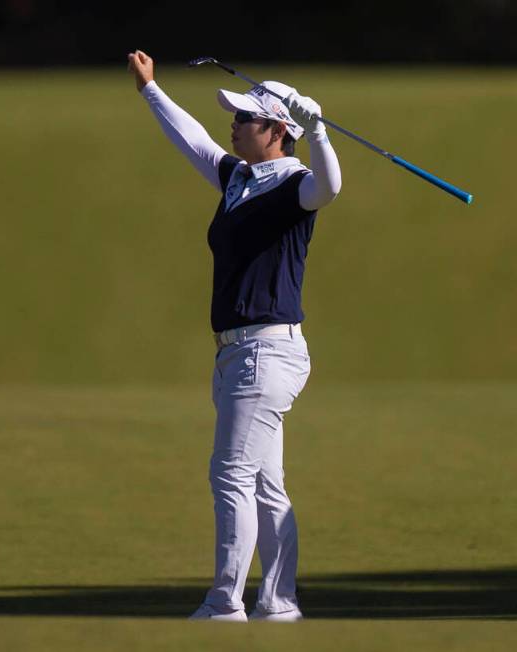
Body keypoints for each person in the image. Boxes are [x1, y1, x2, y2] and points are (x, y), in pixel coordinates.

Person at [127, 50, 342, 622]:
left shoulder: (295, 183)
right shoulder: (240, 179)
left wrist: (318, 129)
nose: (234, 123)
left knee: (230, 474)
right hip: (239, 354)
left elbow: (330, 187)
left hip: (265, 351)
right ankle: (277, 602)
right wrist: (151, 89)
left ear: (277, 131)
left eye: (246, 117)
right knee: (265, 483)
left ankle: (225, 603)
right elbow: (194, 140)